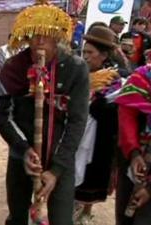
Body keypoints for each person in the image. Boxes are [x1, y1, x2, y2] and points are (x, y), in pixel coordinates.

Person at [0, 1, 89, 225]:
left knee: (60, 219)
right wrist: (23, 149)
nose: (39, 42)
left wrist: (56, 170)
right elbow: (2, 116)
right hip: (22, 156)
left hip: (61, 160)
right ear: (26, 37)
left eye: (46, 35)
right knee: (17, 216)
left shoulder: (75, 68)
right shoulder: (13, 67)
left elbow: (77, 122)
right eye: (34, 35)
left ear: (57, 37)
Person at [74, 26, 125, 225]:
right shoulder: (78, 74)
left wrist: (95, 103)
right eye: (84, 52)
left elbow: (115, 112)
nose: (85, 56)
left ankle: (87, 210)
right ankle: (74, 205)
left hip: (100, 137)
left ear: (103, 55)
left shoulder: (114, 80)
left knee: (94, 172)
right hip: (78, 131)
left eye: (90, 53)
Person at [114, 49, 151, 225]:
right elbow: (126, 115)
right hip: (134, 161)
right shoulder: (142, 77)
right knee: (125, 215)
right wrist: (134, 152)